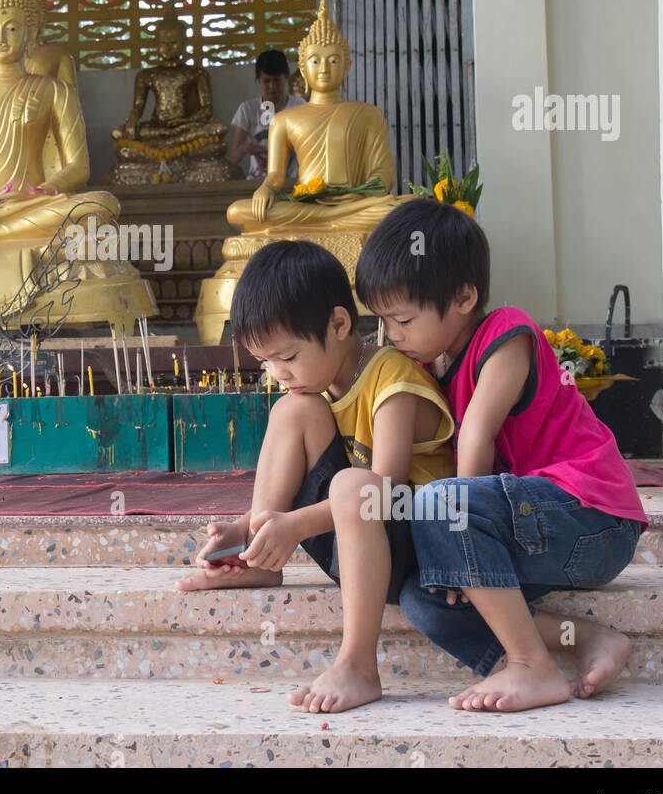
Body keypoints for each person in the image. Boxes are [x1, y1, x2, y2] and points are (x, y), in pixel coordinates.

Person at [355, 198, 648, 712]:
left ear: (465, 296)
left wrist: (454, 524)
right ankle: (587, 639)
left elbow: (476, 439)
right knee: (423, 600)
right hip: (532, 532)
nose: (393, 334)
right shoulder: (431, 369)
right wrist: (453, 558)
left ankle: (531, 667)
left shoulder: (507, 335)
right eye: (384, 321)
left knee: (440, 505)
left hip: (592, 518)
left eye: (403, 318)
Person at [176, 239, 457, 715]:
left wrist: (298, 525)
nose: (278, 373)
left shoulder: (391, 377)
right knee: (292, 411)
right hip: (357, 548)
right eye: (266, 362)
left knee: (357, 484)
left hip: (419, 554)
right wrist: (249, 529)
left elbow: (383, 493)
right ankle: (261, 562)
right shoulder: (316, 388)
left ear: (340, 323)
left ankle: (359, 665)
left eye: (287, 356)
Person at [227, 49, 305, 180]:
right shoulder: (248, 109)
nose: (272, 87)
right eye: (266, 81)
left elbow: (310, 148)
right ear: (258, 79)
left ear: (286, 76)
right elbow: (233, 158)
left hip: (292, 183)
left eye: (277, 80)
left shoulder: (299, 106)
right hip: (257, 183)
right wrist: (246, 148)